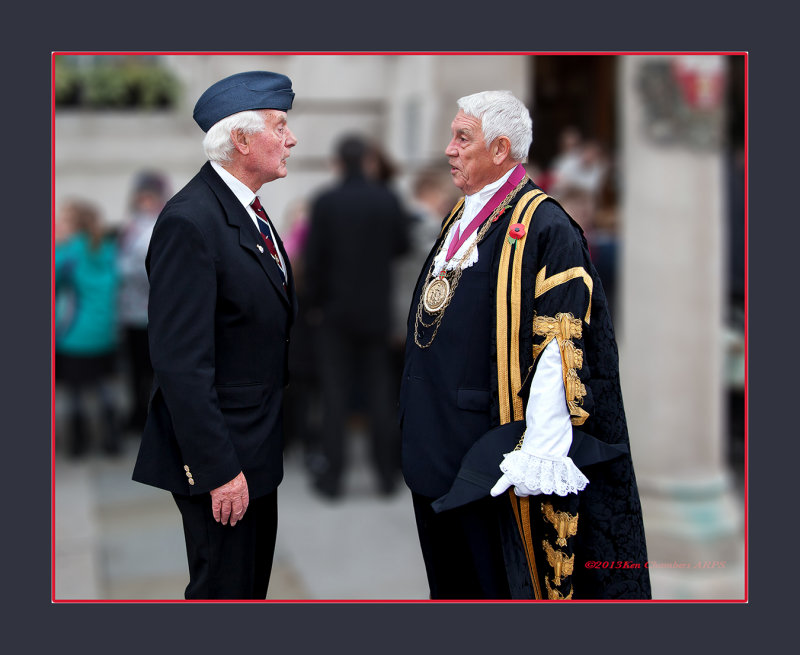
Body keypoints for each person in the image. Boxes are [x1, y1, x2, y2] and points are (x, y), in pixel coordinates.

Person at [398, 90, 650, 600]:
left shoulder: (547, 225)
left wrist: (539, 453)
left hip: (487, 460)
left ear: (500, 149)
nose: (448, 149)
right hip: (432, 452)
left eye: (461, 138)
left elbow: (562, 348)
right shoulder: (463, 214)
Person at [132, 71, 298, 599]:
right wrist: (219, 470)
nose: (291, 139)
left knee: (248, 591)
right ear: (242, 140)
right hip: (224, 459)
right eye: (280, 126)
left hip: (255, 446)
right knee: (224, 594)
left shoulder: (246, 208)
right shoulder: (191, 220)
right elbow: (180, 362)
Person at [303, 134, 409, 499]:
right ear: (365, 160)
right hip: (375, 313)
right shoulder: (386, 199)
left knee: (335, 397)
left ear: (338, 162)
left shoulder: (326, 202)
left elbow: (313, 259)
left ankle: (332, 480)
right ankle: (386, 477)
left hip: (334, 314)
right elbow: (403, 245)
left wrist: (314, 304)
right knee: (381, 395)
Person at [55, 199, 120, 456]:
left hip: (74, 335)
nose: (58, 224)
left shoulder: (69, 252)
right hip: (105, 334)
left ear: (75, 224)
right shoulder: (107, 248)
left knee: (75, 392)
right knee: (105, 386)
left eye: (64, 219)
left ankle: (78, 443)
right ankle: (111, 440)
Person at [117, 171, 169, 434]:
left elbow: (150, 269)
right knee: (135, 369)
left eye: (150, 197)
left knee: (151, 370)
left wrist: (121, 270)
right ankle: (137, 413)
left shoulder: (159, 225)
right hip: (131, 311)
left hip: (150, 312)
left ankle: (150, 417)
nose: (144, 201)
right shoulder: (134, 225)